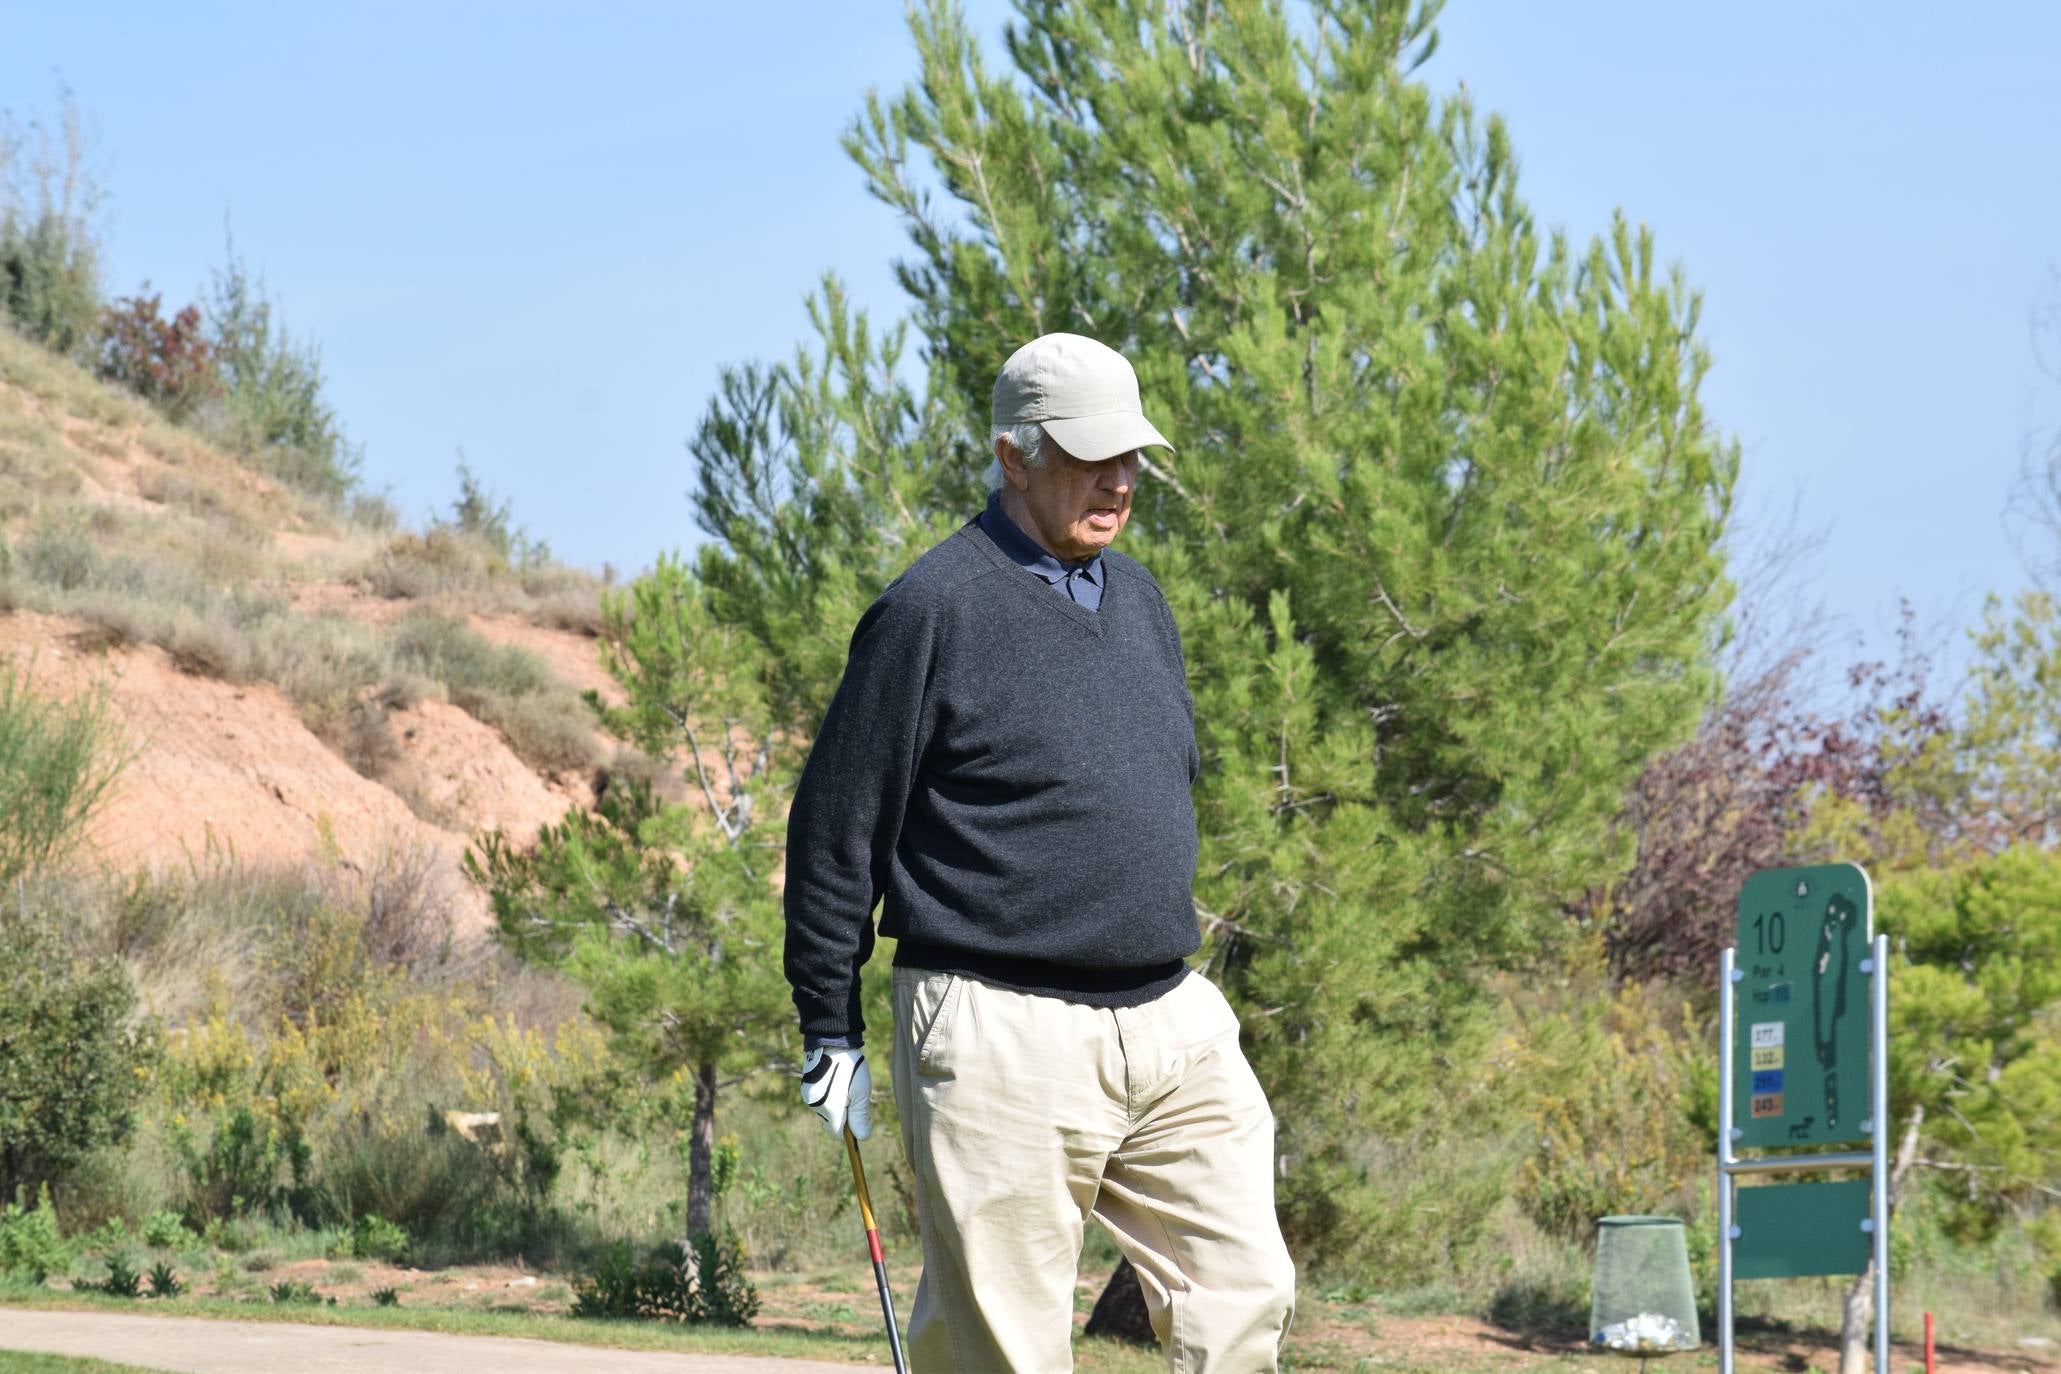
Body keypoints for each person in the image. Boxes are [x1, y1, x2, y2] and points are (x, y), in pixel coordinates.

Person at [784, 332, 1296, 1372]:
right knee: (1002, 1348)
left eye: (1131, 456)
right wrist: (827, 1023)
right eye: (1088, 455)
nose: (1118, 480)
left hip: (1168, 1016)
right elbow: (837, 827)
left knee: (1246, 1293)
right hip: (998, 1026)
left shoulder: (1142, 599)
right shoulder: (930, 609)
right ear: (1014, 457)